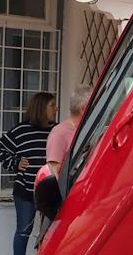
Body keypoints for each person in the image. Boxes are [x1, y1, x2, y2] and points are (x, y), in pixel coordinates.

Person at [0, 91, 56, 255]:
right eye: (52, 106)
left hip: (49, 191)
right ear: (41, 108)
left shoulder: (56, 131)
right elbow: (0, 147)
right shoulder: (22, 130)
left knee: (49, 232)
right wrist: (15, 163)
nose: (55, 110)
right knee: (24, 230)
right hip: (25, 191)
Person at [34, 85, 92, 222]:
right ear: (83, 109)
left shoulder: (89, 130)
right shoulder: (59, 133)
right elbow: (55, 173)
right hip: (66, 207)